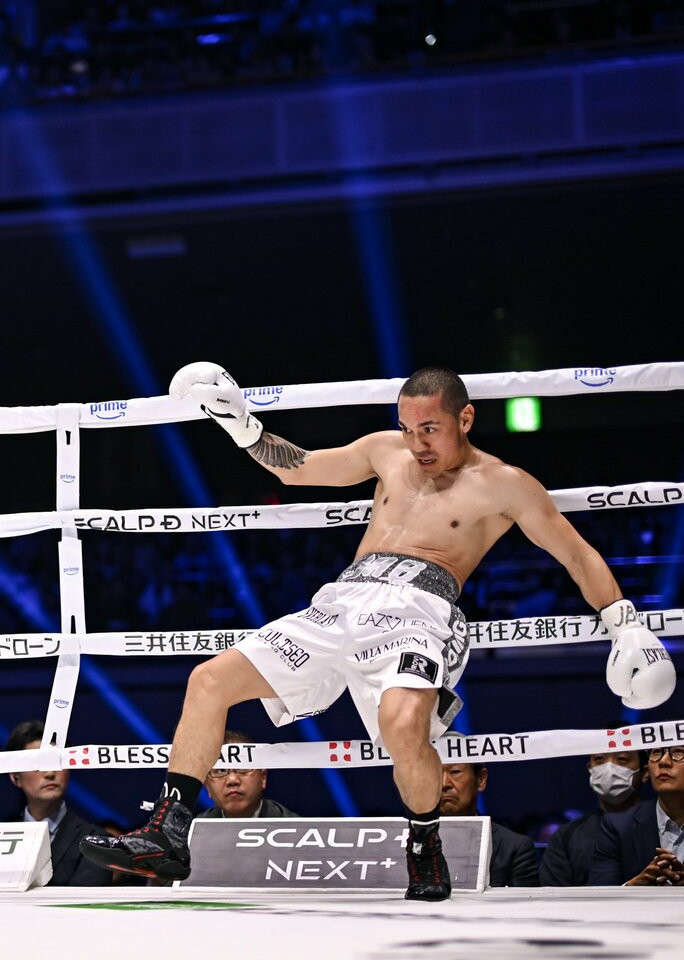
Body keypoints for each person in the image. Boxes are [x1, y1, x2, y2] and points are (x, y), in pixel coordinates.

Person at [80, 363, 674, 901]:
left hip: (421, 611)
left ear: (465, 417)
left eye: (432, 429)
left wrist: (624, 623)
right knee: (209, 679)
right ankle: (171, 829)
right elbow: (306, 468)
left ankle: (424, 846)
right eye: (410, 428)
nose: (419, 443)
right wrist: (244, 428)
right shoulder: (386, 450)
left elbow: (574, 553)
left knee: (402, 724)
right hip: (340, 603)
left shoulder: (505, 482)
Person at [5, 720, 111, 887]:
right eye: (38, 764)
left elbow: (87, 907)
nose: (50, 773)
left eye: (57, 762)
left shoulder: (96, 841)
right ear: (15, 777)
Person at [540, 734, 646, 886]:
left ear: (645, 772)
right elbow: (553, 898)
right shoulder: (567, 836)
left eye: (622, 759)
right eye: (599, 760)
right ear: (589, 768)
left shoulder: (662, 826)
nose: (609, 769)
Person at [434, 741, 538, 887]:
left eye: (455, 772)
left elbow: (529, 906)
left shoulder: (514, 847)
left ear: (481, 779)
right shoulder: (405, 840)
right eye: (435, 772)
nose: (445, 783)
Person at [589, 744, 684, 887]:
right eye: (656, 752)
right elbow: (598, 897)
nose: (664, 761)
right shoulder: (618, 827)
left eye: (678, 752)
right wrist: (635, 886)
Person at [197, 731, 298, 821]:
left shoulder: (297, 831)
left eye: (242, 767)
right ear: (207, 786)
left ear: (263, 777)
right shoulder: (191, 835)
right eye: (221, 770)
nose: (232, 780)